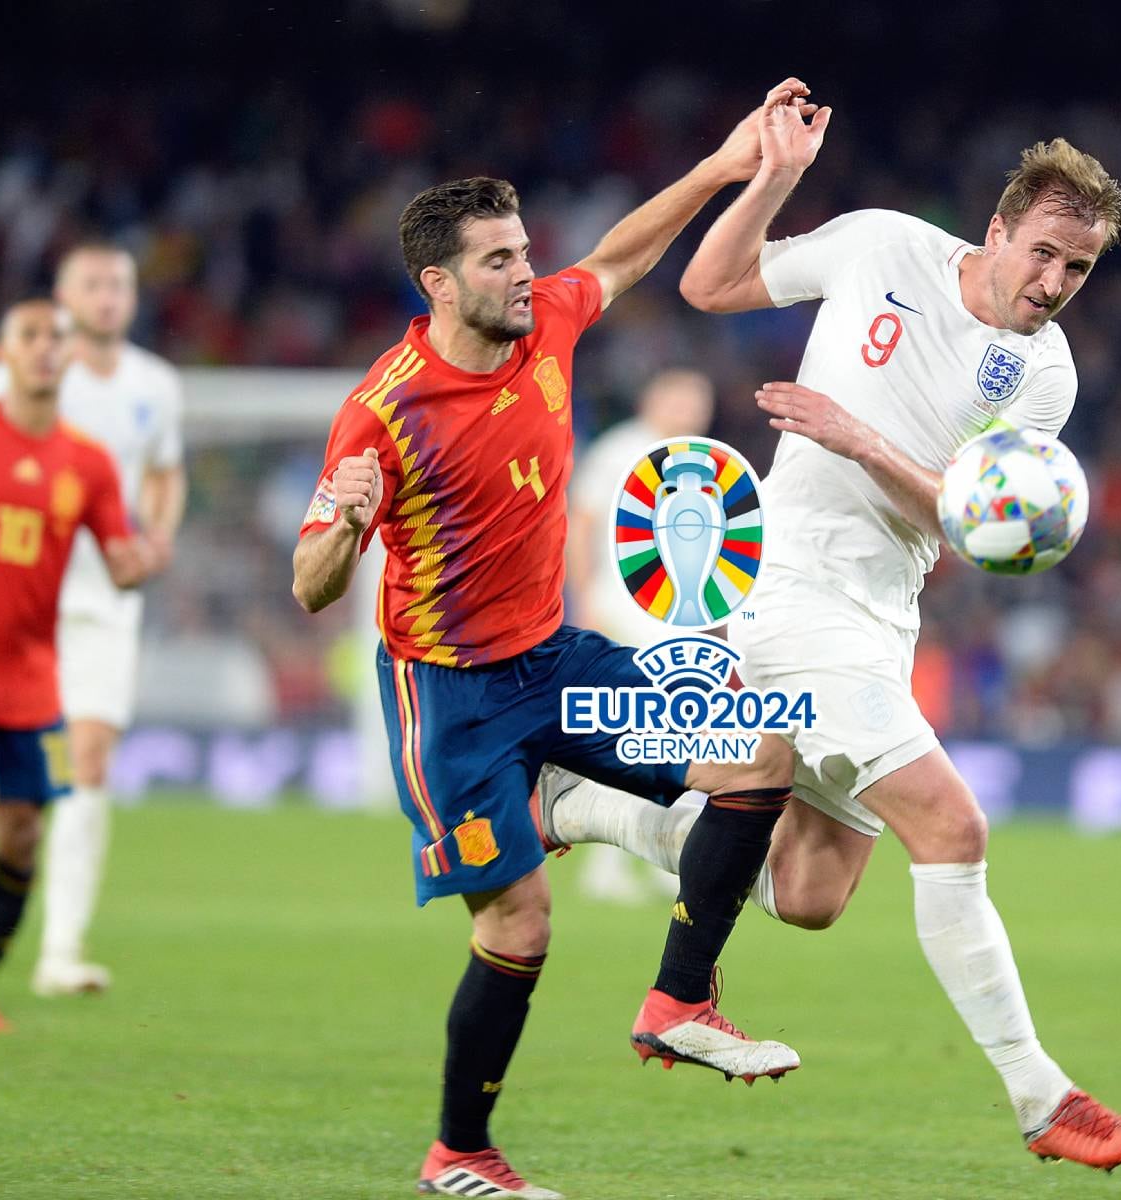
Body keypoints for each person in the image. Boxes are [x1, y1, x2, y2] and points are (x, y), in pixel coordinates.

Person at [536, 89, 1121, 1173]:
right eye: (1048, 255)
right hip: (790, 587)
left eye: (1081, 271)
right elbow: (711, 283)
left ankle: (577, 802)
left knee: (809, 894)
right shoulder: (883, 246)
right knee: (952, 827)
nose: (1055, 285)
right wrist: (771, 178)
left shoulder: (1042, 373)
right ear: (999, 227)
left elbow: (967, 530)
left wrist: (862, 440)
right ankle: (1041, 1097)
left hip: (883, 613)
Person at [292, 80, 813, 1200]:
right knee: (521, 927)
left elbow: (620, 257)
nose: (525, 273)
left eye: (525, 253)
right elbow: (310, 588)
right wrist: (342, 519)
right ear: (438, 282)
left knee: (757, 757)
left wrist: (725, 167)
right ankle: (458, 1153)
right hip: (452, 698)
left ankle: (680, 1002)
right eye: (497, 261)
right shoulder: (382, 413)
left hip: (556, 660)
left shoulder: (549, 326)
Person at [0, 299, 162, 1031]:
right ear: (2, 351)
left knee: (22, 835)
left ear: (72, 357)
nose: (46, 348)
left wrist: (137, 564)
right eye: (31, 336)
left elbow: (121, 564)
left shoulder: (88, 462)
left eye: (56, 339)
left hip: (35, 674)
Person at [0, 243, 186, 997]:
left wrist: (156, 539)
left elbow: (164, 470)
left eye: (119, 284)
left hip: (102, 601)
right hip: (17, 597)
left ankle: (60, 950)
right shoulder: (20, 373)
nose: (107, 297)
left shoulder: (155, 384)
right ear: (61, 299)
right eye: (91, 284)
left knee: (89, 759)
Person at [564, 367, 715, 903]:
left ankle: (653, 855)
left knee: (666, 736)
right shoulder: (620, 450)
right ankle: (613, 863)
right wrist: (584, 602)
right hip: (621, 609)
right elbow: (581, 524)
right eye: (683, 396)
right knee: (643, 734)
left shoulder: (695, 458)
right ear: (656, 397)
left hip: (670, 615)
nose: (692, 408)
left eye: (700, 400)